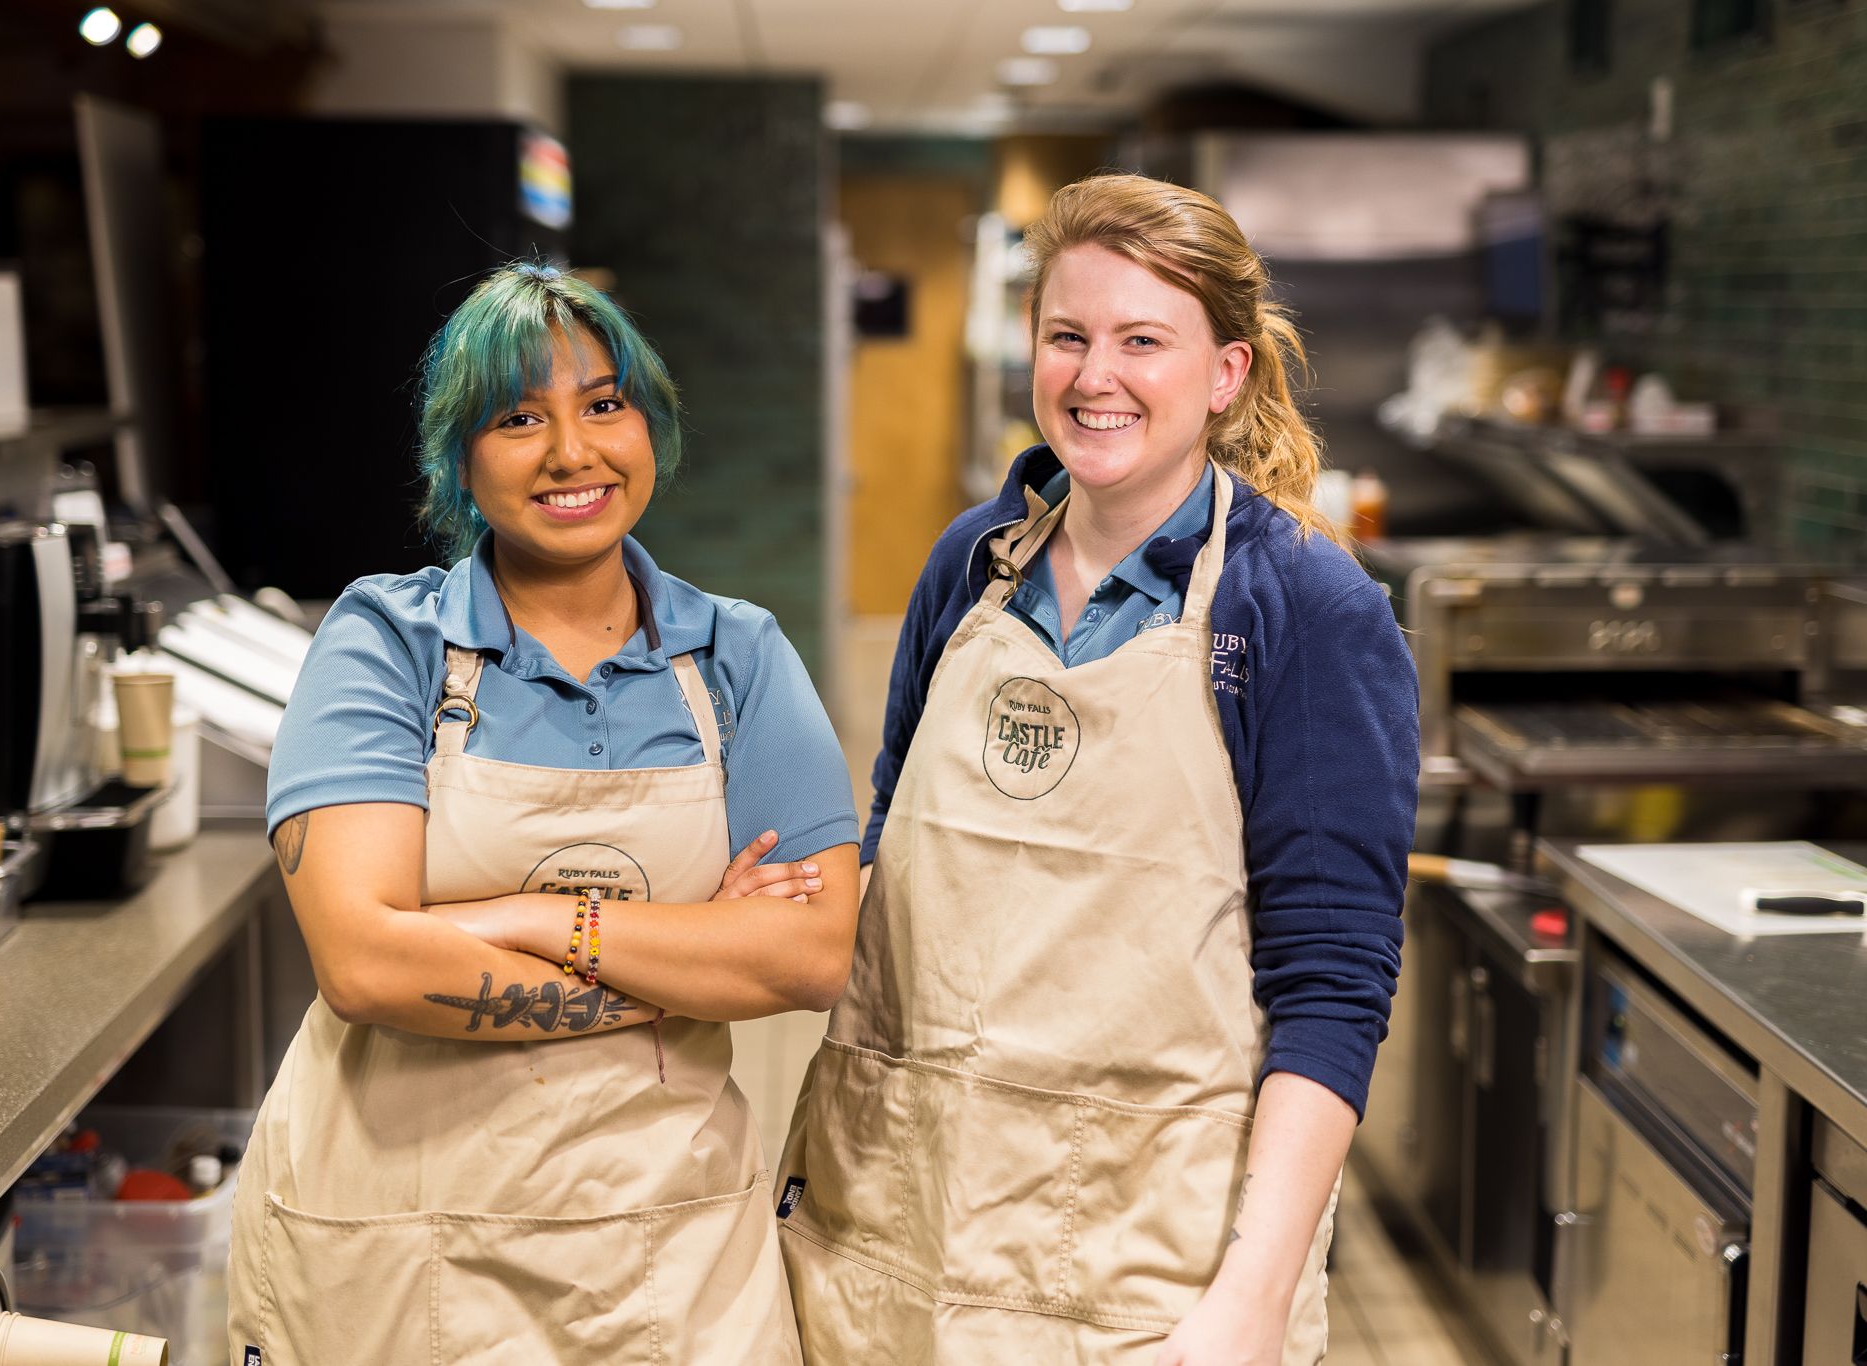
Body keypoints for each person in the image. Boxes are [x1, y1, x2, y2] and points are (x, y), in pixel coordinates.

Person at [776, 174, 1418, 1365]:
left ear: (1223, 374)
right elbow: (894, 842)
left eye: (1141, 340)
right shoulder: (972, 564)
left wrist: (1252, 1296)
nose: (1093, 375)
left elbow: (1331, 982)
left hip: (1139, 1268)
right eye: (1066, 336)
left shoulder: (1304, 611)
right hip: (899, 1223)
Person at [227, 263, 860, 1365]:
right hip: (393, 1243)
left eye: (604, 404)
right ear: (460, 457)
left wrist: (515, 919)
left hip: (670, 1248)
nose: (573, 452)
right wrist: (682, 957)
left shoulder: (737, 657)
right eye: (520, 417)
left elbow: (807, 958)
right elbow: (366, 966)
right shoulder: (387, 642)